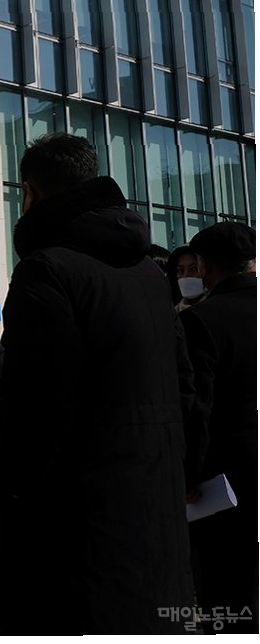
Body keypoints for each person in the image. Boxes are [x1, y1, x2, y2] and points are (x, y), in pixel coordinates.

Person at [0, 132, 193, 634]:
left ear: (30, 191)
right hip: (155, 509)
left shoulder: (46, 271)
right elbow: (186, 385)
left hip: (75, 522)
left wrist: (11, 495)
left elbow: (35, 407)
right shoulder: (149, 273)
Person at [180, 222, 257, 633]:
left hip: (228, 480)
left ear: (204, 266)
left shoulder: (202, 320)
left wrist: (188, 474)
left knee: (228, 593)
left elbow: (198, 408)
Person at [167, 244, 208, 312]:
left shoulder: (218, 309)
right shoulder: (172, 313)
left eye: (194, 269)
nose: (185, 276)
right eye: (181, 270)